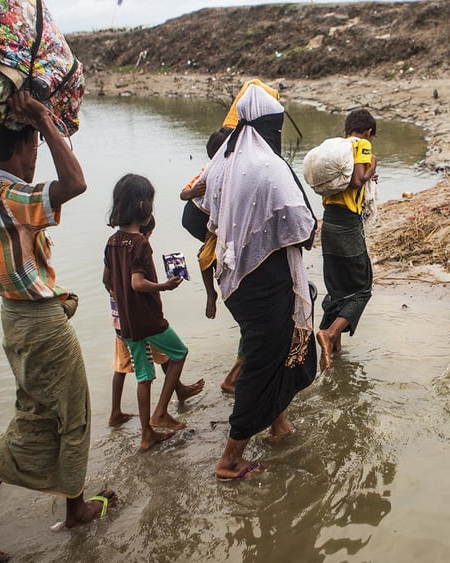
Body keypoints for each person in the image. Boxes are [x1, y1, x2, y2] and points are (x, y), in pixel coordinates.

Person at [0, 91, 112, 562]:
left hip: (14, 320)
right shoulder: (12, 197)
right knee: (74, 415)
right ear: (22, 146)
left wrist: (38, 126)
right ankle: (76, 510)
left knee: (32, 414)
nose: (37, 153)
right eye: (34, 144)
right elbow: (76, 182)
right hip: (40, 325)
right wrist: (42, 117)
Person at [198, 84, 318, 480]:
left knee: (272, 354)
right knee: (263, 363)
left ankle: (278, 424)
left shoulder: (222, 161)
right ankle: (230, 459)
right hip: (265, 284)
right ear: (270, 126)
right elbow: (304, 228)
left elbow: (196, 216)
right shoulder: (269, 166)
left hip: (234, 281)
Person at [104, 173, 204, 452]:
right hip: (148, 318)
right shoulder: (140, 242)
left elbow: (108, 280)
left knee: (143, 375)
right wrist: (165, 286)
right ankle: (160, 412)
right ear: (142, 206)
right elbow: (137, 283)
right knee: (179, 353)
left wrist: (122, 300)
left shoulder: (112, 241)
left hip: (127, 322)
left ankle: (146, 434)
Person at [180, 127, 245, 394]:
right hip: (203, 224)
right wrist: (195, 190)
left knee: (207, 256)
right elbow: (183, 194)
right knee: (206, 258)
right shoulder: (209, 173)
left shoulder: (229, 171)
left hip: (207, 225)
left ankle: (212, 293)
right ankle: (210, 295)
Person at [315, 109, 379, 372]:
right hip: (347, 225)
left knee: (337, 288)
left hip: (328, 223)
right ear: (368, 132)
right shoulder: (361, 145)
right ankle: (329, 334)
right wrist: (372, 165)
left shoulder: (337, 148)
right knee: (362, 288)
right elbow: (357, 180)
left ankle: (335, 351)